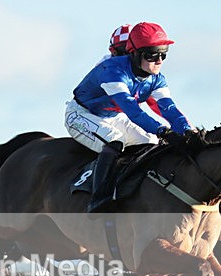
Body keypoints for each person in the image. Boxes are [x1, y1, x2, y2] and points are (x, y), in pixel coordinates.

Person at [65, 22, 197, 213]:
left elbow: (168, 109)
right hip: (81, 114)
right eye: (153, 54)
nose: (159, 60)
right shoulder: (112, 71)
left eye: (163, 54)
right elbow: (134, 112)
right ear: (134, 53)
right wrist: (164, 131)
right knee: (115, 141)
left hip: (114, 116)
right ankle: (99, 199)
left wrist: (187, 131)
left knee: (152, 142)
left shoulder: (156, 78)